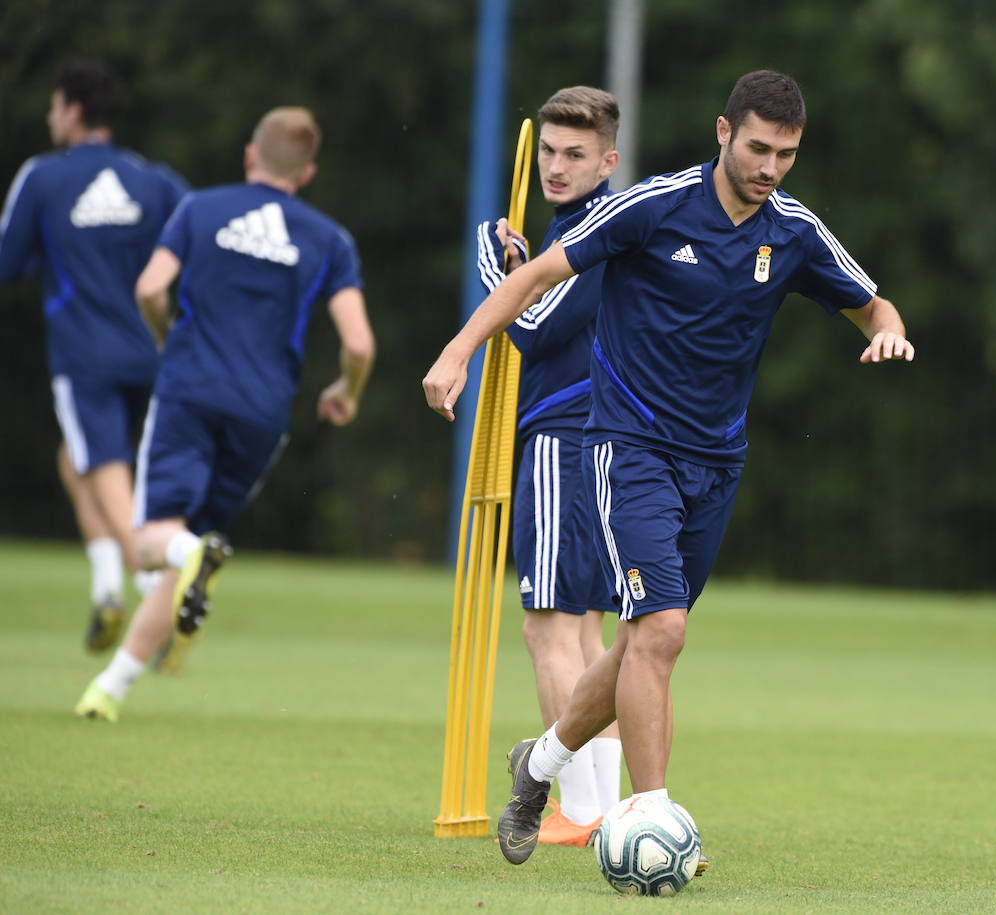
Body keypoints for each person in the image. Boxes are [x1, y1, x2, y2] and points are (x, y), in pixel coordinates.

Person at [423, 70, 914, 864]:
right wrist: (456, 354)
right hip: (629, 445)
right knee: (661, 629)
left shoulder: (792, 231)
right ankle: (649, 817)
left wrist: (886, 330)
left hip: (717, 462)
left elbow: (871, 303)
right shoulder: (651, 205)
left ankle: (538, 762)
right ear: (724, 134)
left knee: (640, 644)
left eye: (786, 153)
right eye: (758, 147)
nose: (771, 166)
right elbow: (536, 275)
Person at [74, 106, 375, 722]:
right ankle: (111, 688)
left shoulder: (199, 209)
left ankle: (185, 565)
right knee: (196, 541)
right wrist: (346, 389)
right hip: (263, 412)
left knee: (156, 543)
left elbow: (150, 288)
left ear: (248, 155)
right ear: (308, 172)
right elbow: (361, 344)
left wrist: (166, 338)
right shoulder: (329, 240)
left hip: (189, 390)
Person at [474, 86, 626, 846]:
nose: (557, 169)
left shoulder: (595, 229)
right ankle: (607, 808)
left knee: (546, 629)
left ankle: (582, 806)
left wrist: (494, 265)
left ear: (609, 160)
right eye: (550, 155)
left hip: (565, 436)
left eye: (576, 155)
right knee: (588, 633)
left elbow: (530, 326)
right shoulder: (584, 226)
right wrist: (526, 263)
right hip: (601, 438)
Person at [0, 60, 189, 652]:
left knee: (103, 466)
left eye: (55, 106)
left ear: (74, 111)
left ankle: (158, 586)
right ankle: (108, 586)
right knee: (73, 459)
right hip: (152, 351)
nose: (49, 116)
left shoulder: (43, 176)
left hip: (83, 356)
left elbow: (6, 261)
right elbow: (199, 239)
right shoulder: (151, 179)